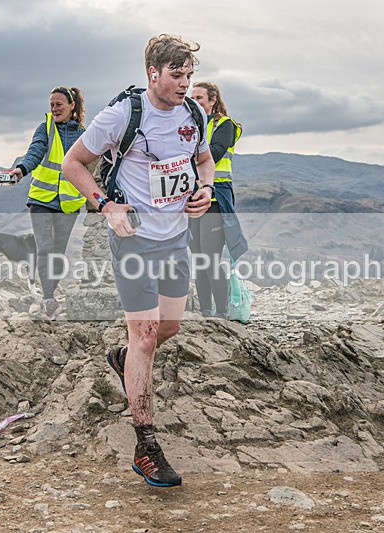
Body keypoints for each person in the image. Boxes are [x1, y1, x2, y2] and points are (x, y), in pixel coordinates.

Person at [62, 34, 215, 487]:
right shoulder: (122, 115)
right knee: (146, 335)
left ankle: (125, 361)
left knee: (169, 328)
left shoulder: (195, 113)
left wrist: (204, 190)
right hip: (134, 240)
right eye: (176, 75)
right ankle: (146, 445)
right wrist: (106, 205)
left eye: (189, 75)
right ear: (153, 73)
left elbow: (203, 161)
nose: (185, 84)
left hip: (175, 239)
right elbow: (74, 164)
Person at [9, 86, 87, 320]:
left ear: (71, 106)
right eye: (51, 105)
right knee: (44, 248)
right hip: (41, 199)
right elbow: (36, 151)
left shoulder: (82, 133)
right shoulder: (45, 128)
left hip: (68, 203)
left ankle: (50, 291)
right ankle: (48, 298)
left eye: (59, 104)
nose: (54, 109)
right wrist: (22, 169)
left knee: (58, 252)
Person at [189, 82, 247, 318]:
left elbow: (212, 155)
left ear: (213, 100)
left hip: (215, 199)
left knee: (211, 258)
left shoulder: (225, 125)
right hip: (192, 199)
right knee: (199, 259)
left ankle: (221, 313)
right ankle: (205, 311)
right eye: (192, 97)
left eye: (199, 97)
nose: (194, 102)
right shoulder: (188, 126)